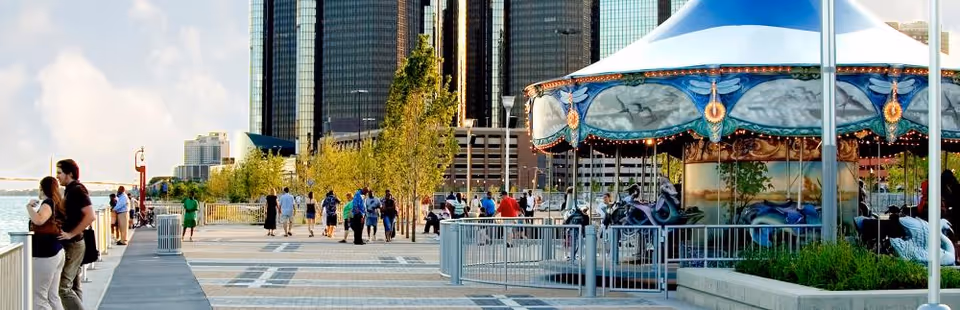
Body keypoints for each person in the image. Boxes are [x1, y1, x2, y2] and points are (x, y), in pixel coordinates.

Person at [56, 159, 94, 310]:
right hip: (74, 244)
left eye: (59, 173)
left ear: (69, 173)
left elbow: (90, 216)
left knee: (63, 288)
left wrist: (71, 234)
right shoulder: (70, 189)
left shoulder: (77, 190)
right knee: (74, 285)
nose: (57, 176)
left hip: (74, 244)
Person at [27, 177, 65, 310]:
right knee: (52, 296)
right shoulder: (57, 203)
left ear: (43, 188)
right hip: (56, 251)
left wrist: (29, 207)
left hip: (45, 254)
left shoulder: (48, 202)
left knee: (38, 298)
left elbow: (39, 220)